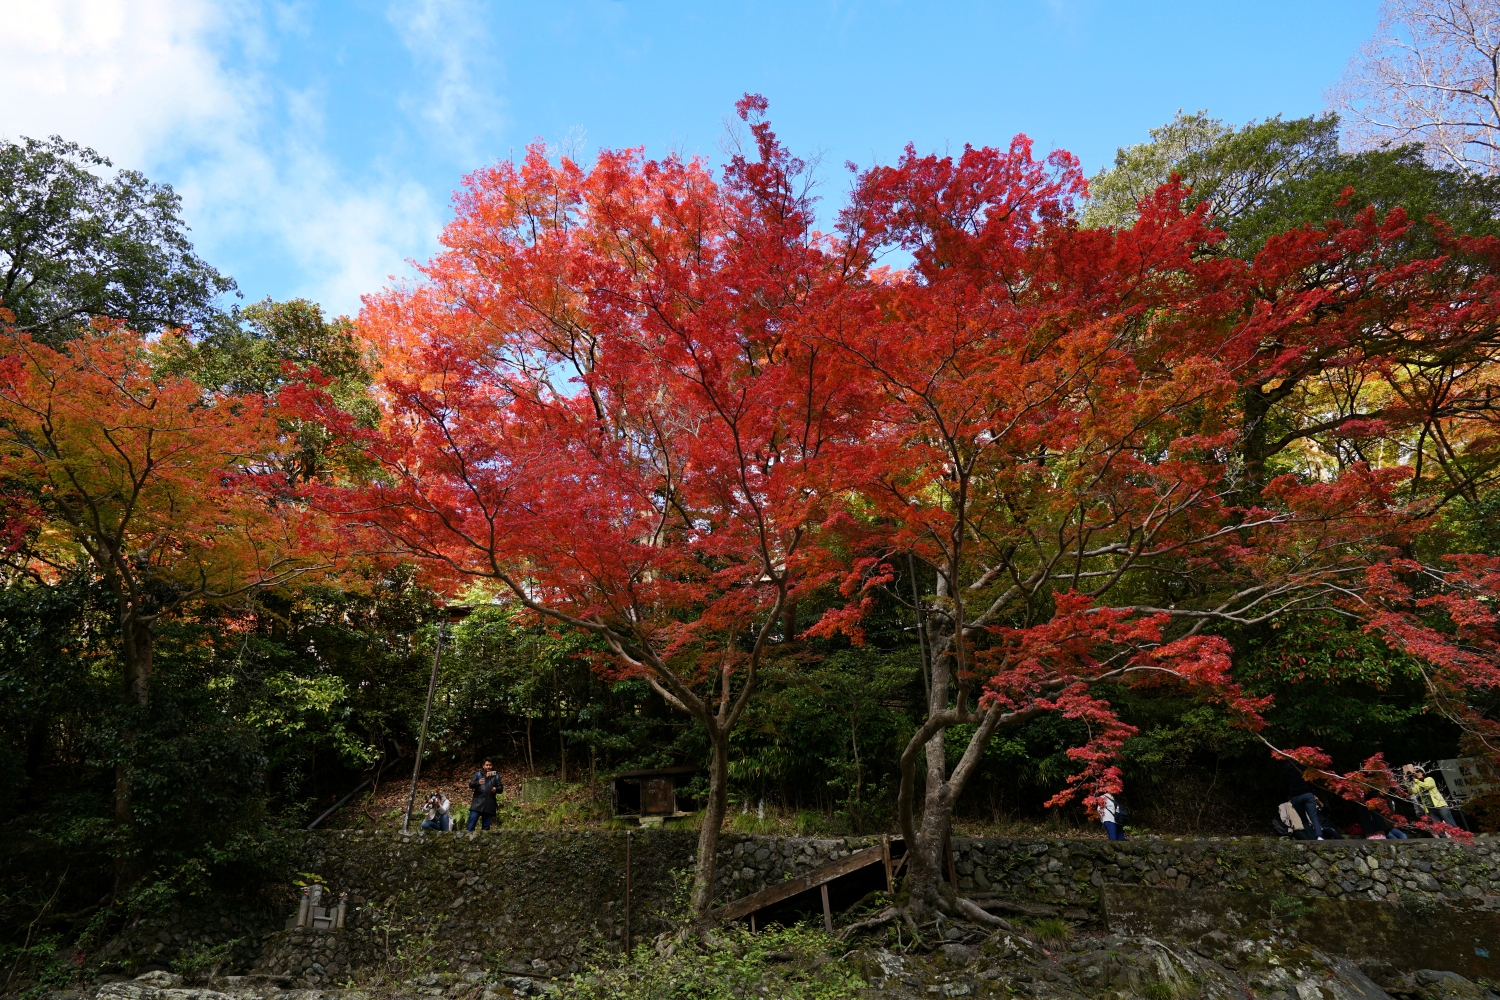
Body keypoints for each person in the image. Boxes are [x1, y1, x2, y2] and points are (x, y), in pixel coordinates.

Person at [1403, 765, 1456, 836]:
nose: (1416, 774)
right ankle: (1445, 843)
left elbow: (1427, 785)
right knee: (1439, 829)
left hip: (1440, 806)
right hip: (1430, 809)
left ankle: (1460, 840)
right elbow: (1412, 791)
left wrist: (1415, 780)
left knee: (1451, 824)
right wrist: (1407, 782)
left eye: (1418, 771)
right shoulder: (1417, 784)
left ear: (1423, 772)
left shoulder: (1429, 779)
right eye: (1414, 773)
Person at [1282, 760, 1324, 840]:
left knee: (1303, 819)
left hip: (1295, 797)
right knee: (1313, 817)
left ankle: (1311, 837)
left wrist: (1288, 796)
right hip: (1307, 794)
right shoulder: (1302, 769)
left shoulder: (1286, 773)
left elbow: (1285, 787)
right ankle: (1319, 836)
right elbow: (1310, 782)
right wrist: (1312, 792)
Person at [467, 759, 503, 832]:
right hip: (477, 803)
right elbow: (471, 785)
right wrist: (478, 783)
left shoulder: (495, 776)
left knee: (486, 828)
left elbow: (501, 788)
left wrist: (496, 789)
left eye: (490, 765)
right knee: (471, 823)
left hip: (489, 804)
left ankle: (483, 842)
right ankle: (468, 840)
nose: (488, 767)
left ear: (492, 766)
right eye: (487, 765)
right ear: (483, 766)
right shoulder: (478, 774)